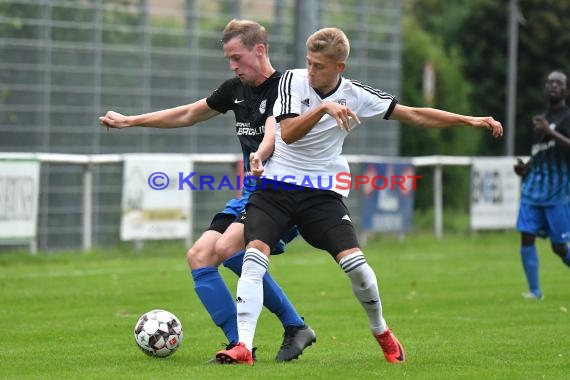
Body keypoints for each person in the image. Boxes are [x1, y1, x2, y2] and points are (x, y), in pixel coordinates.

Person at [215, 27, 503, 365]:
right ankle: (243, 348)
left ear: (340, 67)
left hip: (321, 193)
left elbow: (413, 114)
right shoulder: (291, 81)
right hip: (276, 186)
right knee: (253, 254)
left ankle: (381, 331)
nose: (310, 71)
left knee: (356, 266)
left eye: (319, 66)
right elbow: (288, 134)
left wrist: (469, 120)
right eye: (308, 63)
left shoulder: (356, 94)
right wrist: (324, 108)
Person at [99, 19, 316, 362]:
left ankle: (293, 326)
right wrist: (131, 120)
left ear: (259, 50)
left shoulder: (286, 88)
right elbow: (188, 113)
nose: (232, 66)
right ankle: (238, 344)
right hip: (252, 193)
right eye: (228, 59)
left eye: (236, 57)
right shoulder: (235, 89)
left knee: (229, 248)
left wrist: (261, 154)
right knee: (200, 256)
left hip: (285, 194)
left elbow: (278, 133)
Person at [513, 70, 570, 300]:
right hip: (533, 191)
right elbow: (539, 156)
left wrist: (550, 132)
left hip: (557, 194)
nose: (553, 86)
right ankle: (535, 291)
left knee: (559, 248)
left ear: (565, 89)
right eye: (549, 82)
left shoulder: (566, 117)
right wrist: (525, 169)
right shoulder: (541, 121)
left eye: (558, 83)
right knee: (526, 236)